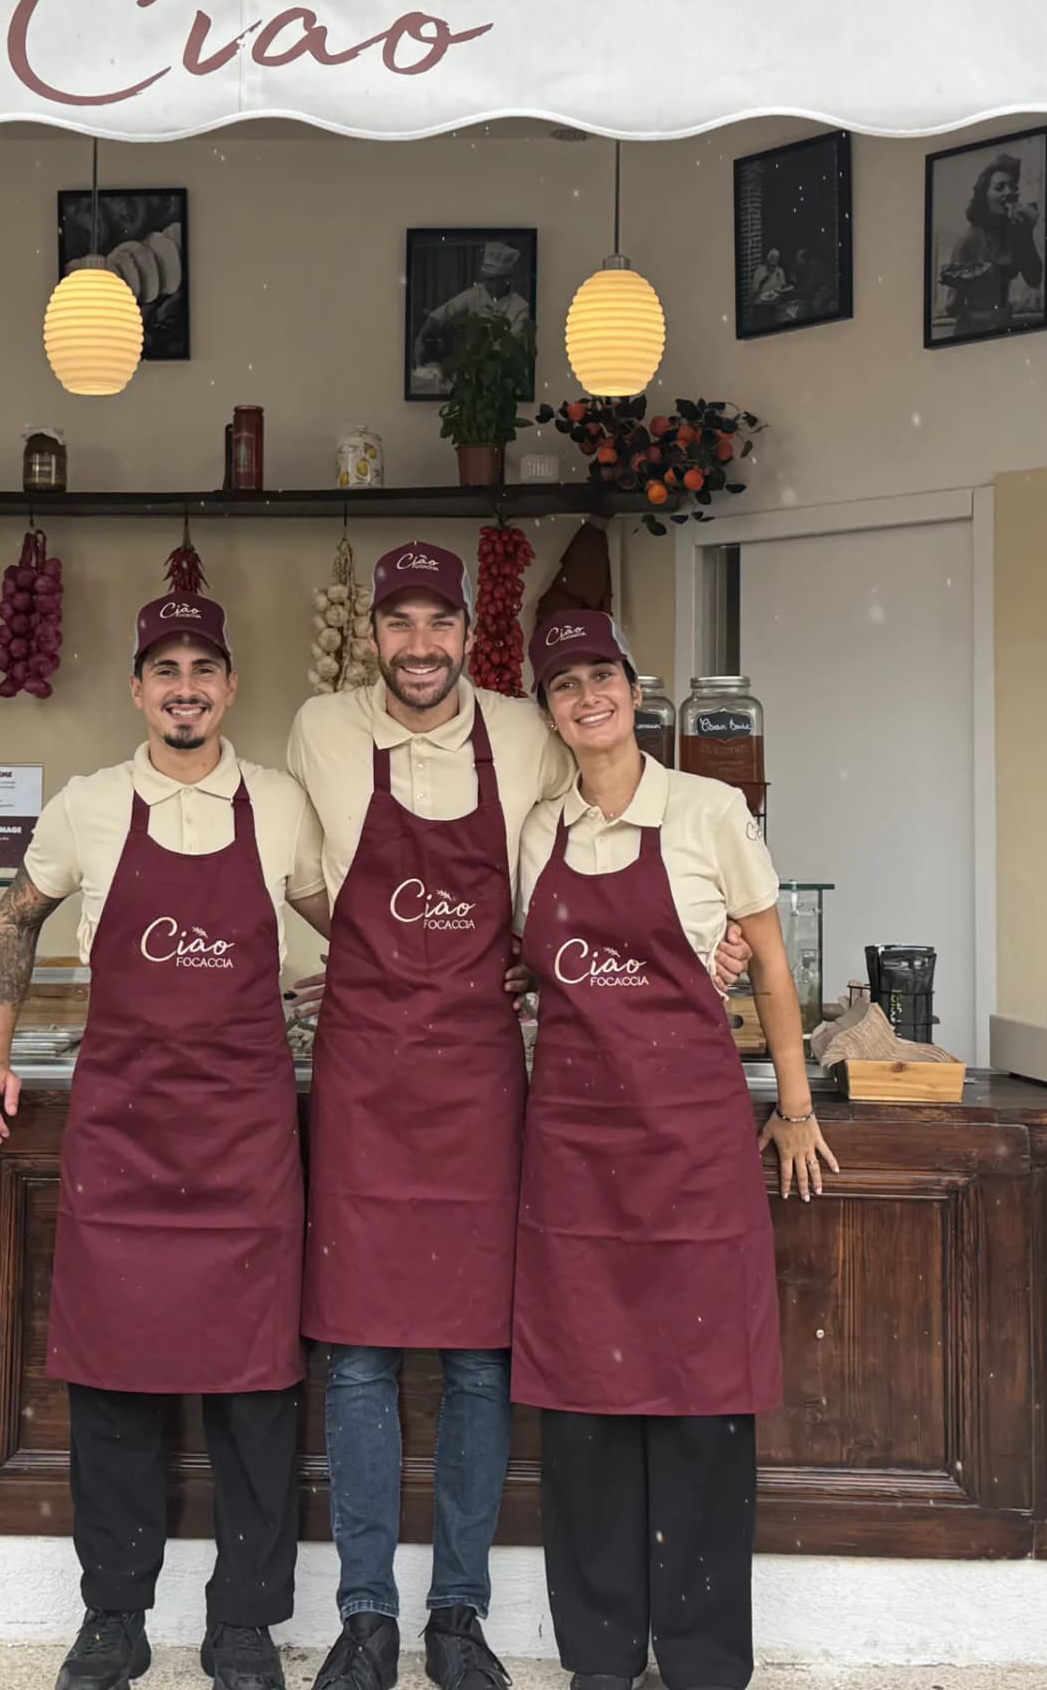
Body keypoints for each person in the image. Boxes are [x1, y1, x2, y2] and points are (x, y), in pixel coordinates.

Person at [284, 545, 749, 1690]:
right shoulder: (318, 731)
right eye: (399, 622)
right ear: (373, 635)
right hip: (362, 1082)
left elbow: (569, 872)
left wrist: (697, 946)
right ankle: (362, 1616)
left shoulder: (530, 732)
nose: (420, 642)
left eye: (439, 620)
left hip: (484, 1085)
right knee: (355, 1361)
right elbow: (302, 872)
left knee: (482, 1361)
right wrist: (358, 962)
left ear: (468, 629)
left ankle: (457, 1614)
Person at [0, 592, 317, 1690]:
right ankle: (113, 1615)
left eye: (203, 666)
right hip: (124, 1139)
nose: (185, 686)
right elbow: (13, 918)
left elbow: (352, 928)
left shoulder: (284, 804)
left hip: (246, 1139)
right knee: (112, 1390)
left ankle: (246, 1624)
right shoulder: (87, 806)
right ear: (137, 690)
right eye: (164, 668)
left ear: (231, 687)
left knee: (257, 1393)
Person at [513, 610, 837, 1690]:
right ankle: (600, 1657)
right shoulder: (538, 827)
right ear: (548, 709)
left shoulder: (710, 809)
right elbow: (531, 966)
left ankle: (701, 1660)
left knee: (703, 1406)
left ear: (632, 688)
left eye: (601, 675)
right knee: (586, 1410)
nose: (586, 698)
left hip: (693, 1148)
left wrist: (793, 1106)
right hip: (572, 1153)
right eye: (564, 685)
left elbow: (775, 969)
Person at [939, 153, 1043, 335]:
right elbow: (951, 309)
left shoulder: (1015, 235)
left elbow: (1034, 279)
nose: (1008, 192)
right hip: (971, 332)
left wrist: (1027, 234)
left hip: (1005, 326)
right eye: (999, 187)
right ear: (984, 196)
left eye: (1012, 186)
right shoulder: (967, 240)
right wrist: (962, 286)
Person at [411, 242, 531, 384]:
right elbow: (446, 310)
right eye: (486, 279)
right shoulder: (476, 293)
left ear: (506, 280)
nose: (487, 284)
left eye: (493, 280)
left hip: (503, 377)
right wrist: (422, 335)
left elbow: (510, 348)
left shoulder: (521, 307)